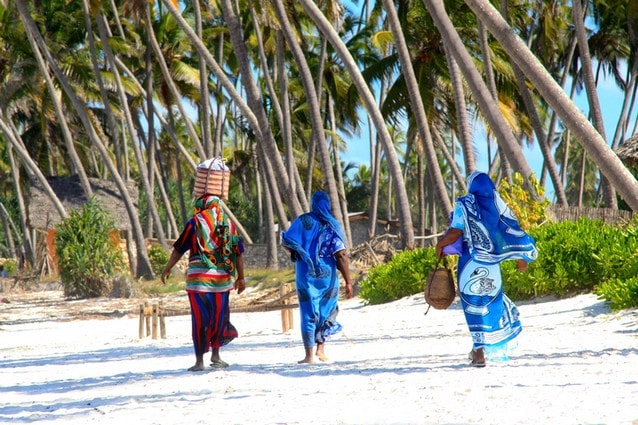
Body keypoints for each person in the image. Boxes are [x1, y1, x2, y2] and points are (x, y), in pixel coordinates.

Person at [436, 171, 538, 368]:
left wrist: (439, 246)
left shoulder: (464, 204)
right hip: (491, 265)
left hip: (469, 263)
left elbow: (456, 231)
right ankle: (479, 349)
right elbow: (511, 230)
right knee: (490, 302)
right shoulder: (498, 205)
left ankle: (479, 352)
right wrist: (521, 257)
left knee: (473, 305)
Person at [161, 194, 246, 372]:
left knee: (200, 320)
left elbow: (179, 249)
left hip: (198, 282)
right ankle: (215, 355)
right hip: (222, 282)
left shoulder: (195, 223)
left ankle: (199, 362)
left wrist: (167, 268)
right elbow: (237, 253)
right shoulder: (228, 224)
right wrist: (241, 277)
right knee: (219, 317)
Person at [281, 191, 354, 364]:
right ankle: (321, 348)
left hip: (305, 276)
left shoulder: (302, 221)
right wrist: (348, 281)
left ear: (312, 203)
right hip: (328, 278)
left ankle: (309, 355)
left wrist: (300, 253)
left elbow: (287, 242)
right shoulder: (332, 224)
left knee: (308, 312)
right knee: (326, 311)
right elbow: (341, 255)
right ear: (327, 204)